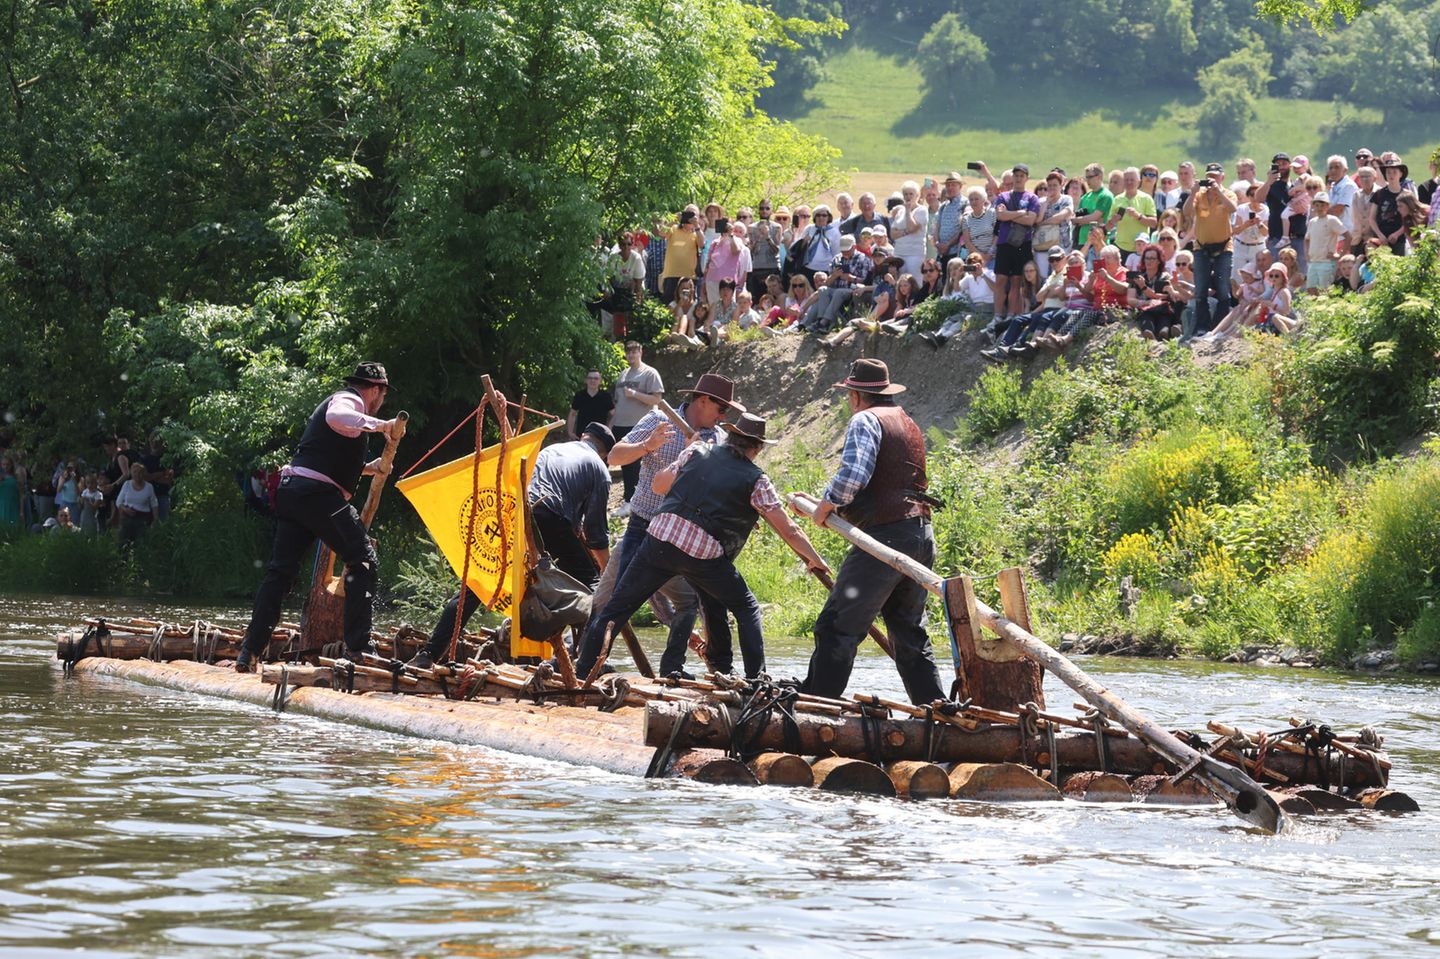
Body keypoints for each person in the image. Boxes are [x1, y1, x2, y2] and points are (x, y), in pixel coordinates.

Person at [578, 413, 828, 679]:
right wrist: (815, 559)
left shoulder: (696, 451)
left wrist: (685, 465)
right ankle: (756, 679)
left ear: (730, 438)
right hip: (702, 554)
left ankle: (582, 672)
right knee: (747, 608)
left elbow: (659, 485)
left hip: (660, 538)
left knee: (618, 608)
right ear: (757, 448)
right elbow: (789, 530)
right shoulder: (757, 479)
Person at [408, 422, 616, 671]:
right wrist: (606, 573)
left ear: (583, 436)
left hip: (514, 513)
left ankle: (429, 653)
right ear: (606, 455)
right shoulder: (599, 470)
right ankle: (582, 662)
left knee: (477, 585)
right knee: (593, 590)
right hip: (548, 517)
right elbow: (596, 534)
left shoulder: (553, 449)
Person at [235, 362, 402, 672]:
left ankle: (250, 651)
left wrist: (371, 466)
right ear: (377, 390)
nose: (381, 401)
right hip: (316, 496)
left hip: (296, 492)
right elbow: (337, 418)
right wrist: (383, 425)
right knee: (363, 559)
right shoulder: (349, 400)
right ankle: (359, 648)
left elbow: (328, 459)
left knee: (280, 573)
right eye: (382, 395)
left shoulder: (353, 413)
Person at [800, 359, 945, 705]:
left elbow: (853, 477)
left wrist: (826, 505)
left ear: (855, 395)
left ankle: (817, 705)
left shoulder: (864, 419)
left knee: (837, 625)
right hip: (920, 535)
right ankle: (935, 709)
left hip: (886, 539)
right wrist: (823, 501)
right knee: (908, 632)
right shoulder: (906, 422)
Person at [586, 372, 743, 679]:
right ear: (702, 402)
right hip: (643, 527)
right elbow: (616, 455)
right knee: (609, 602)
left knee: (691, 603)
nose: (724, 416)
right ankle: (584, 665)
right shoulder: (658, 421)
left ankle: (674, 669)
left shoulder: (715, 437)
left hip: (679, 539)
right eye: (721, 409)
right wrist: (648, 444)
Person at [611, 342, 663, 517]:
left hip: (640, 425)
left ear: (641, 352)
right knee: (626, 464)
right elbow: (618, 403)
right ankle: (629, 501)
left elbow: (657, 399)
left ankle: (635, 502)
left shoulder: (649, 373)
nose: (631, 355)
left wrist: (634, 394)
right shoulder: (623, 374)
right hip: (621, 424)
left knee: (641, 465)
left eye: (634, 352)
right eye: (628, 352)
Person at [1184, 163, 1237, 336]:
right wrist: (1192, 192)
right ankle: (1202, 328)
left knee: (1223, 288)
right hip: (1202, 247)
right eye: (1209, 177)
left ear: (1222, 177)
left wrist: (1218, 192)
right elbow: (1187, 213)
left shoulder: (1228, 194)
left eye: (1215, 176)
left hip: (1224, 247)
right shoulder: (1199, 196)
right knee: (1200, 289)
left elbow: (1233, 209)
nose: (1212, 180)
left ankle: (1220, 327)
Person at [992, 164, 1042, 325]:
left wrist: (1010, 215)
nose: (1019, 178)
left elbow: (1030, 220)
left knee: (1016, 281)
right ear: (1012, 177)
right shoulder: (1003, 196)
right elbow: (1000, 215)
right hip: (1004, 243)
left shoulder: (1032, 198)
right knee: (1000, 280)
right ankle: (998, 315)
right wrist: (1020, 213)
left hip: (1022, 243)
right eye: (1016, 175)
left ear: (1026, 178)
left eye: (1022, 176)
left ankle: (1012, 315)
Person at [1106, 167, 1159, 261]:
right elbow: (1108, 227)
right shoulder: (1117, 199)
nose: (1129, 182)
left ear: (1139, 182)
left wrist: (1138, 216)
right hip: (1120, 246)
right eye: (1126, 180)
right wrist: (1113, 221)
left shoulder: (1146, 199)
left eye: (1132, 180)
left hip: (1140, 249)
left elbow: (1153, 223)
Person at [656, 210, 701, 305]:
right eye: (687, 216)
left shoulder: (696, 233)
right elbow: (661, 233)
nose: (688, 220)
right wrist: (674, 219)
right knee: (669, 304)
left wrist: (697, 226)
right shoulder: (674, 229)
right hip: (671, 274)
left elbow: (702, 244)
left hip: (688, 276)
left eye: (692, 217)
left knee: (687, 305)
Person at [1304, 193, 1348, 291]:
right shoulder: (1312, 221)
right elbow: (1306, 239)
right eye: (1317, 205)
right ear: (1313, 206)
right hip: (1313, 262)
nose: (1319, 208)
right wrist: (1306, 254)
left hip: (1326, 262)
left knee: (1325, 292)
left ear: (1328, 206)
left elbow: (1348, 236)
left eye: (1323, 205)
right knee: (1311, 290)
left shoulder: (1332, 220)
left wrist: (1340, 255)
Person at [1369, 158, 1411, 256]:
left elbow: (1410, 218)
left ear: (1401, 174)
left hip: (1399, 240)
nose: (1391, 175)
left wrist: (1397, 234)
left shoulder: (1407, 195)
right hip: (1380, 239)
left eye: (1394, 172)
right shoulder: (1379, 194)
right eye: (1388, 172)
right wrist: (1380, 235)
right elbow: (1371, 218)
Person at [115, 462, 159, 552]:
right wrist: (125, 509)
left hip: (142, 519)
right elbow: (118, 502)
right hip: (127, 518)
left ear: (143, 473)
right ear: (131, 473)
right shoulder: (127, 484)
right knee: (122, 544)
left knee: (140, 545)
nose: (137, 474)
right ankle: (122, 563)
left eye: (140, 472)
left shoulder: (149, 487)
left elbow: (154, 503)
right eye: (135, 472)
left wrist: (155, 519)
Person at [890, 180, 929, 279]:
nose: (908, 197)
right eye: (906, 194)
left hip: (914, 254)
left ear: (917, 195)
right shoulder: (900, 212)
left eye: (911, 194)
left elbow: (913, 227)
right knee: (899, 281)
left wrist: (908, 211)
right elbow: (893, 233)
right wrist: (906, 232)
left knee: (914, 281)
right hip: (899, 252)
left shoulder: (922, 210)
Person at [747, 199, 782, 302]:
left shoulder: (777, 227)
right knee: (758, 299)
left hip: (772, 267)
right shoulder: (751, 228)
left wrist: (768, 237)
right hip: (757, 268)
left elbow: (776, 250)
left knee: (774, 299)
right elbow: (753, 252)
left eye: (767, 208)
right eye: (762, 208)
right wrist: (758, 238)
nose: (764, 211)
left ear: (771, 211)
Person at [567, 369, 615, 441]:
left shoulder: (605, 396)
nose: (592, 380)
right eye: (590, 378)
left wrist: (609, 429)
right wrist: (570, 432)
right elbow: (572, 414)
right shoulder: (580, 395)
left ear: (600, 381)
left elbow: (614, 414)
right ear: (586, 380)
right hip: (581, 435)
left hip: (600, 436)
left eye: (596, 378)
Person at [934, 172, 968, 270]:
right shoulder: (943, 206)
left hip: (956, 252)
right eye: (948, 185)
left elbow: (962, 229)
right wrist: (937, 244)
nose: (950, 187)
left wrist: (948, 245)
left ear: (960, 186)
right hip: (941, 253)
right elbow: (937, 226)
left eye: (953, 185)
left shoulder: (965, 204)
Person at [140, 433, 175, 521]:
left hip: (162, 495)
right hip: (147, 496)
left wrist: (152, 476)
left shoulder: (167, 459)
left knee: (162, 523)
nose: (154, 443)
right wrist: (162, 473)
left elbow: (168, 480)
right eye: (152, 441)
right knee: (146, 523)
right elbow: (144, 477)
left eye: (157, 441)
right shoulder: (144, 459)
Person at [0, 457, 19, 528]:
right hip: (2, 504)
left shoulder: (16, 476)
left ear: (11, 465)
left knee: (12, 525)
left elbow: (21, 494)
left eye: (8, 464)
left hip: (13, 504)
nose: (6, 467)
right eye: (3, 464)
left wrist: (21, 511)